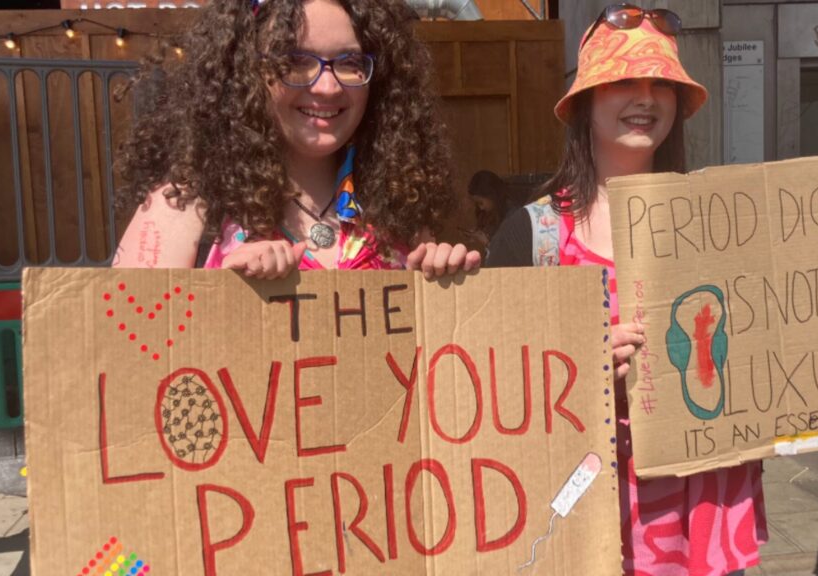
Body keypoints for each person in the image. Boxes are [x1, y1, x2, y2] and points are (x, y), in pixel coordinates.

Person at [487, 5, 765, 574]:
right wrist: (578, 364)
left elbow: (799, 309)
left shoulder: (720, 224)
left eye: (659, 83)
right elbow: (489, 382)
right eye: (622, 81)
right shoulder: (532, 236)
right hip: (588, 511)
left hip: (703, 506)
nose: (644, 98)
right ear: (584, 103)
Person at [112, 0, 478, 278]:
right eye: (296, 61)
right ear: (245, 71)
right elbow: (127, 350)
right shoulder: (183, 209)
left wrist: (446, 302)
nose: (328, 86)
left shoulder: (399, 210)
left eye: (350, 63)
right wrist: (221, 298)